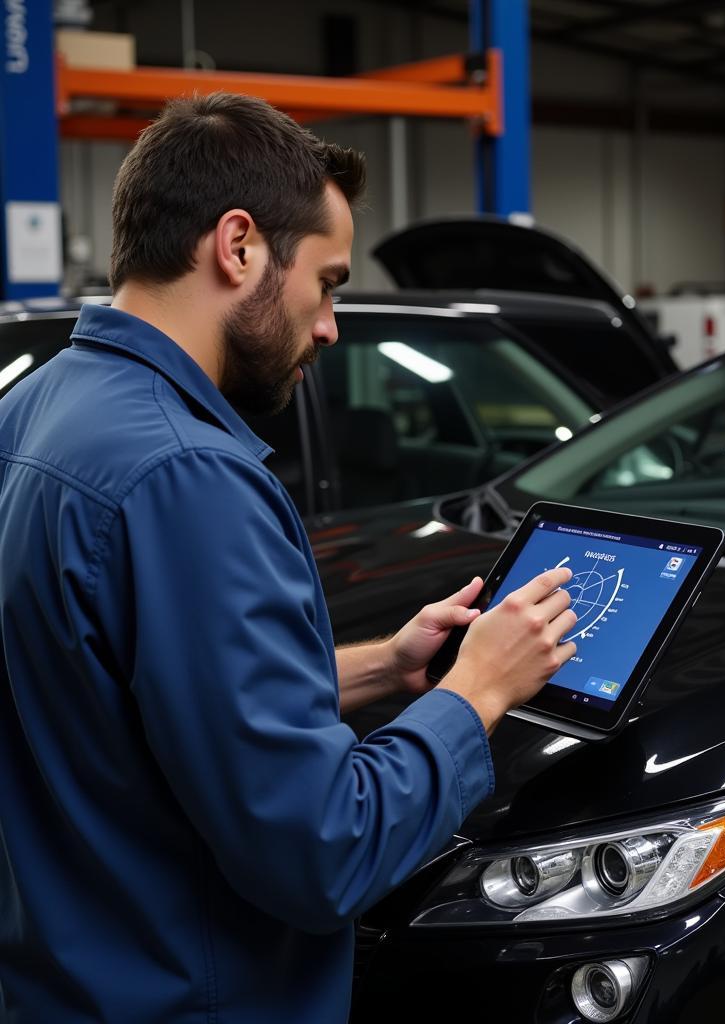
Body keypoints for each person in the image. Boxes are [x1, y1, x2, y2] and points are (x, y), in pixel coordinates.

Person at [0, 93, 577, 1023]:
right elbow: (323, 848)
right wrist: (476, 696)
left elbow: (125, 701)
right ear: (239, 247)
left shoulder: (30, 416)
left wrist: (385, 667)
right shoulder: (188, 477)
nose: (329, 326)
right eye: (330, 281)